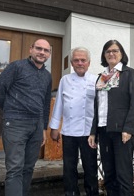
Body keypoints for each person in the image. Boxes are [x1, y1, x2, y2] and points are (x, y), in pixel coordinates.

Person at [0, 39, 52, 196]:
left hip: (36, 126)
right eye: (38, 48)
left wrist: (43, 128)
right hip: (16, 124)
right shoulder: (16, 67)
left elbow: (45, 104)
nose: (42, 52)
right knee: (15, 168)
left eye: (46, 50)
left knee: (28, 167)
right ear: (31, 49)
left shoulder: (47, 76)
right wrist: (12, 110)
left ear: (49, 54)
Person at [88, 39, 134, 196]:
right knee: (109, 174)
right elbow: (97, 106)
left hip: (122, 132)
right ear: (104, 55)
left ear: (121, 54)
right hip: (104, 130)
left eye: (115, 50)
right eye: (108, 51)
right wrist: (93, 132)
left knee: (123, 175)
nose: (111, 54)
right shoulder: (101, 77)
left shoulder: (129, 73)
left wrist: (128, 128)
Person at [49, 47, 99, 196]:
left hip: (89, 132)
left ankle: (92, 193)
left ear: (88, 63)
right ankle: (70, 193)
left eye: (83, 60)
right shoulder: (65, 80)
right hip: (69, 130)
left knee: (90, 167)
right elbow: (59, 104)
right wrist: (54, 127)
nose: (80, 63)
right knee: (69, 167)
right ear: (72, 63)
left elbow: (101, 106)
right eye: (76, 60)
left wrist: (98, 131)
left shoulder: (95, 80)